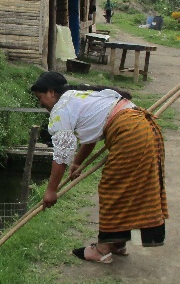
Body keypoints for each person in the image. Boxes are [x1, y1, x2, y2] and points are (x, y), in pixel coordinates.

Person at [31, 71, 167, 264]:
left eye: (40, 97)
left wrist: (51, 191)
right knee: (127, 190)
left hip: (130, 133)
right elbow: (91, 134)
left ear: (51, 92)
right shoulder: (77, 97)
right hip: (144, 128)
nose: (41, 103)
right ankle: (117, 242)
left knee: (112, 189)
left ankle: (103, 249)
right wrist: (78, 162)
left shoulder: (61, 109)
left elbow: (61, 155)